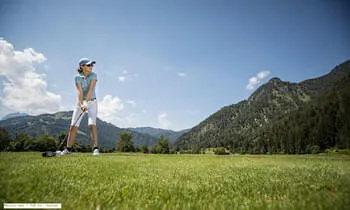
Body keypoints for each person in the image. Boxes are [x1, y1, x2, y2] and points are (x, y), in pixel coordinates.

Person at [62, 58, 99, 155]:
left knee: (92, 124)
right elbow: (79, 91)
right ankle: (68, 149)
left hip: (92, 102)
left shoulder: (94, 75)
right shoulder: (77, 78)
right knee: (73, 125)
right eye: (88, 65)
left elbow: (91, 90)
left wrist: (86, 103)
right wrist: (81, 104)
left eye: (91, 65)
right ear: (82, 67)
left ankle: (95, 148)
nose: (91, 67)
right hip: (80, 102)